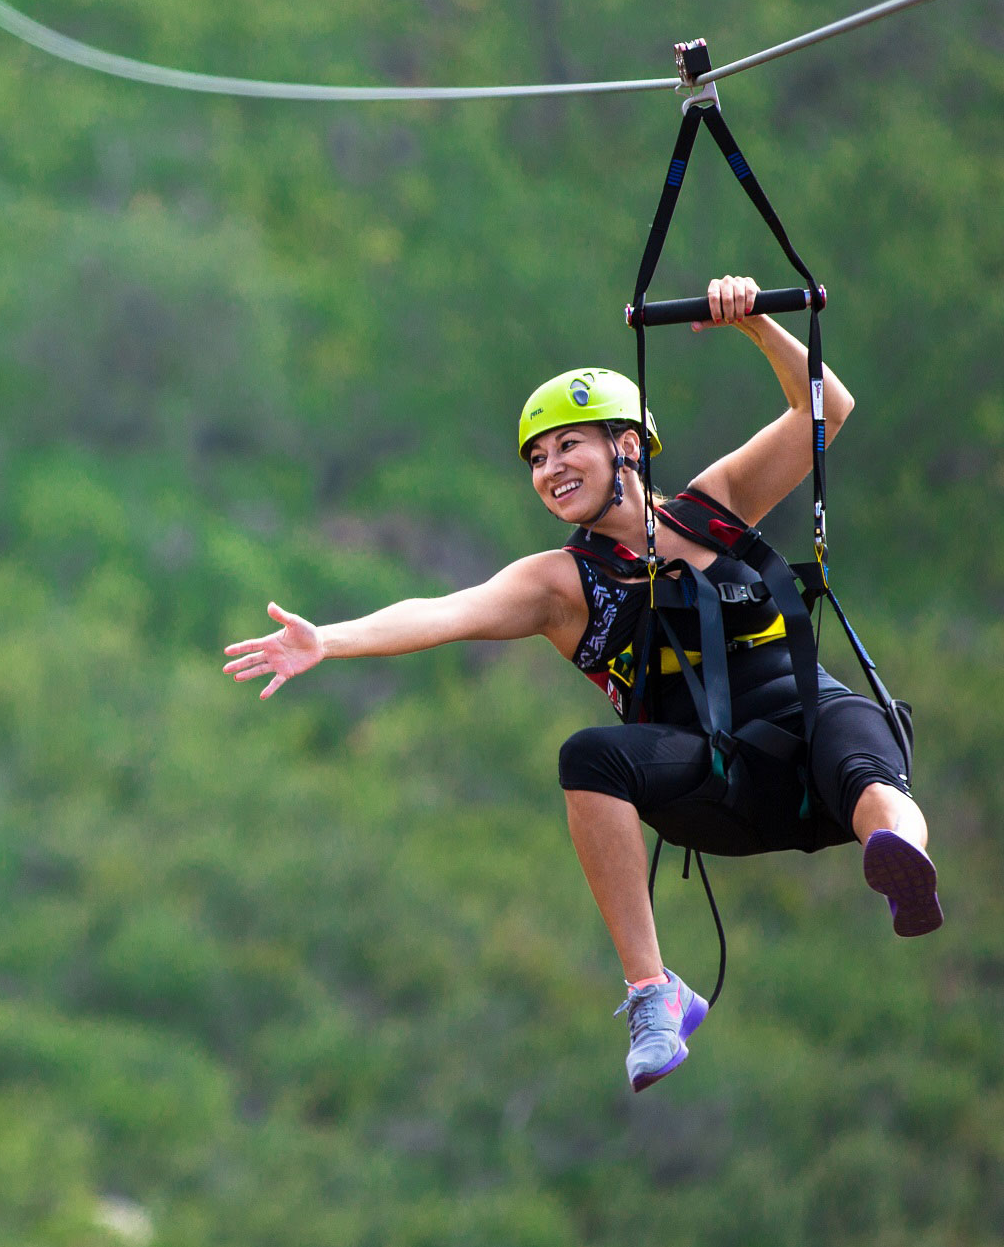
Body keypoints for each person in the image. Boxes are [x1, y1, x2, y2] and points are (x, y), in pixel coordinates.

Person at [221, 277, 937, 1093]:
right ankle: (651, 990)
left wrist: (758, 325)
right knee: (589, 756)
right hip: (717, 779)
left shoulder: (714, 505)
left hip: (811, 735)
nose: (549, 467)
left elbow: (826, 408)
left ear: (627, 445)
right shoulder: (562, 583)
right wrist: (329, 640)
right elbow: (444, 609)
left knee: (862, 760)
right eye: (536, 457)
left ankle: (899, 862)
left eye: (568, 445)